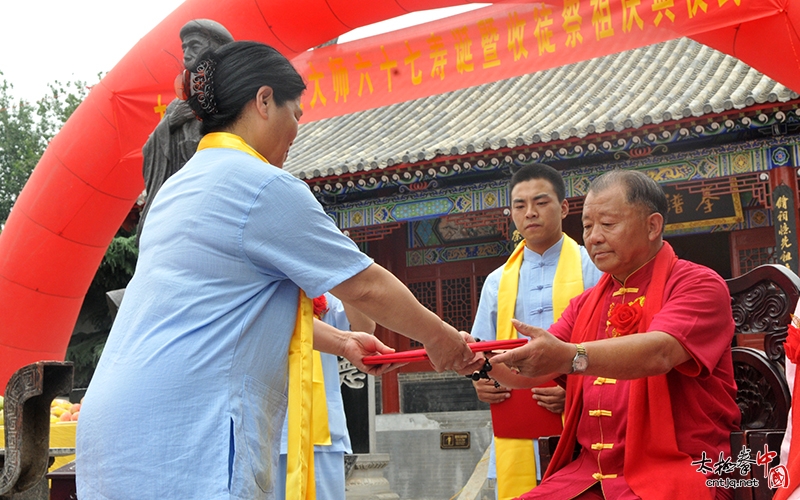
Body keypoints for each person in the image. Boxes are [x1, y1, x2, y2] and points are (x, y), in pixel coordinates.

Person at [75, 41, 481, 500]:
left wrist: (344, 341)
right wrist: (441, 338)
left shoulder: (175, 189)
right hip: (191, 431)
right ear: (264, 100)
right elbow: (366, 286)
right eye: (297, 114)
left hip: (118, 431)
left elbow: (221, 313)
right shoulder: (261, 184)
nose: (296, 130)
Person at [490, 169, 740, 499]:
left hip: (677, 468)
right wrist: (471, 358)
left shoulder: (698, 284)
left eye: (607, 225)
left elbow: (660, 352)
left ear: (653, 226)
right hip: (590, 474)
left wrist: (571, 356)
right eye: (588, 226)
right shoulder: (585, 304)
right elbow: (530, 365)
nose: (593, 237)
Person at [469, 163, 601, 499]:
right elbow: (482, 351)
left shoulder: (594, 268)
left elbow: (614, 343)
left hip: (583, 415)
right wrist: (481, 383)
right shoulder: (497, 281)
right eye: (520, 205)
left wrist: (574, 390)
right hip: (517, 418)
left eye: (541, 202)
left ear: (565, 207)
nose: (530, 213)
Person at [137, 19, 234, 245]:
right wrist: (171, 122)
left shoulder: (231, 100)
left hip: (218, 202)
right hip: (181, 204)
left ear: (216, 50)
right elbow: (148, 150)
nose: (187, 54)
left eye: (195, 46)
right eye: (184, 48)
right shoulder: (177, 105)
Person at [276, 293, 375, 500]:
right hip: (271, 430)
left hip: (321, 429)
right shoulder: (259, 285)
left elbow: (365, 328)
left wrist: (343, 275)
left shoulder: (325, 295)